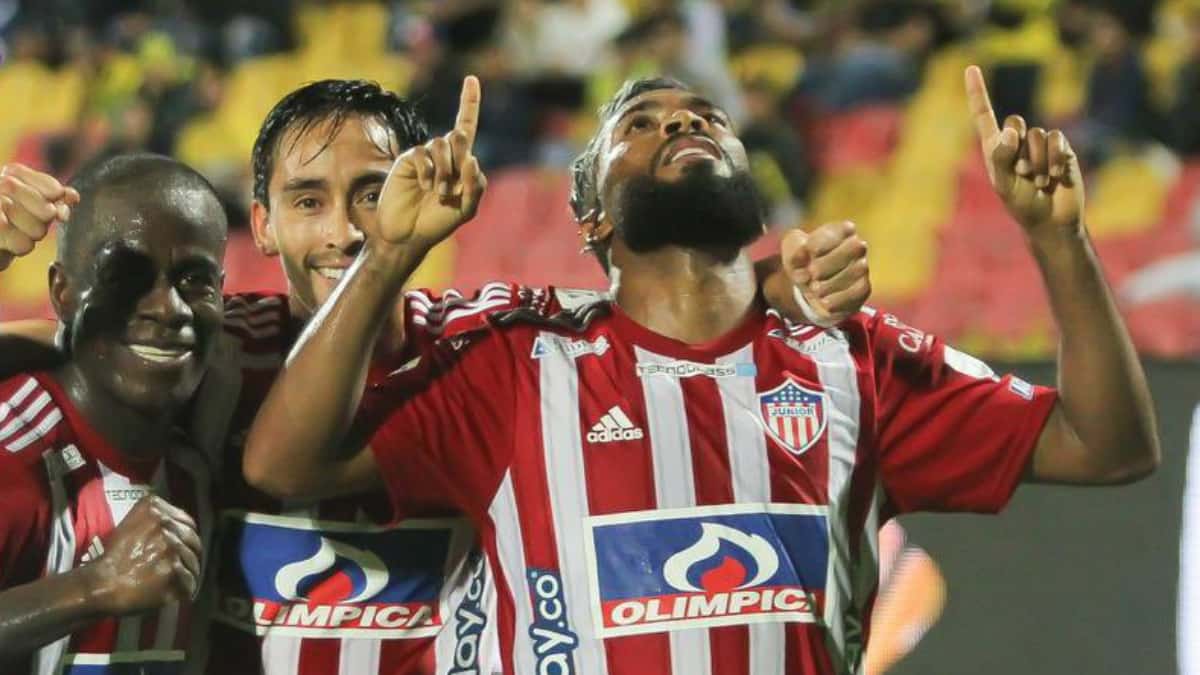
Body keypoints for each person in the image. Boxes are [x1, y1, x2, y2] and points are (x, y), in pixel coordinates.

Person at [242, 64, 1160, 673]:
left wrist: (1061, 241)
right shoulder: (518, 368)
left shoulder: (856, 359)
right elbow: (285, 464)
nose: (683, 120)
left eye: (707, 118)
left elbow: (1109, 446)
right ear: (592, 218)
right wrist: (389, 253)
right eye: (639, 125)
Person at [0, 76, 871, 674]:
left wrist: (763, 282)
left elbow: (642, 311)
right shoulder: (217, 348)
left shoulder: (486, 346)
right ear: (260, 226)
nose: (346, 229)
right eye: (309, 200)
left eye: (373, 193)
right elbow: (80, 342)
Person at [0, 155, 224, 673]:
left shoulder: (208, 446)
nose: (168, 307)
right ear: (62, 293)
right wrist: (94, 587)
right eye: (125, 275)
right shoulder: (15, 453)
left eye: (195, 280)